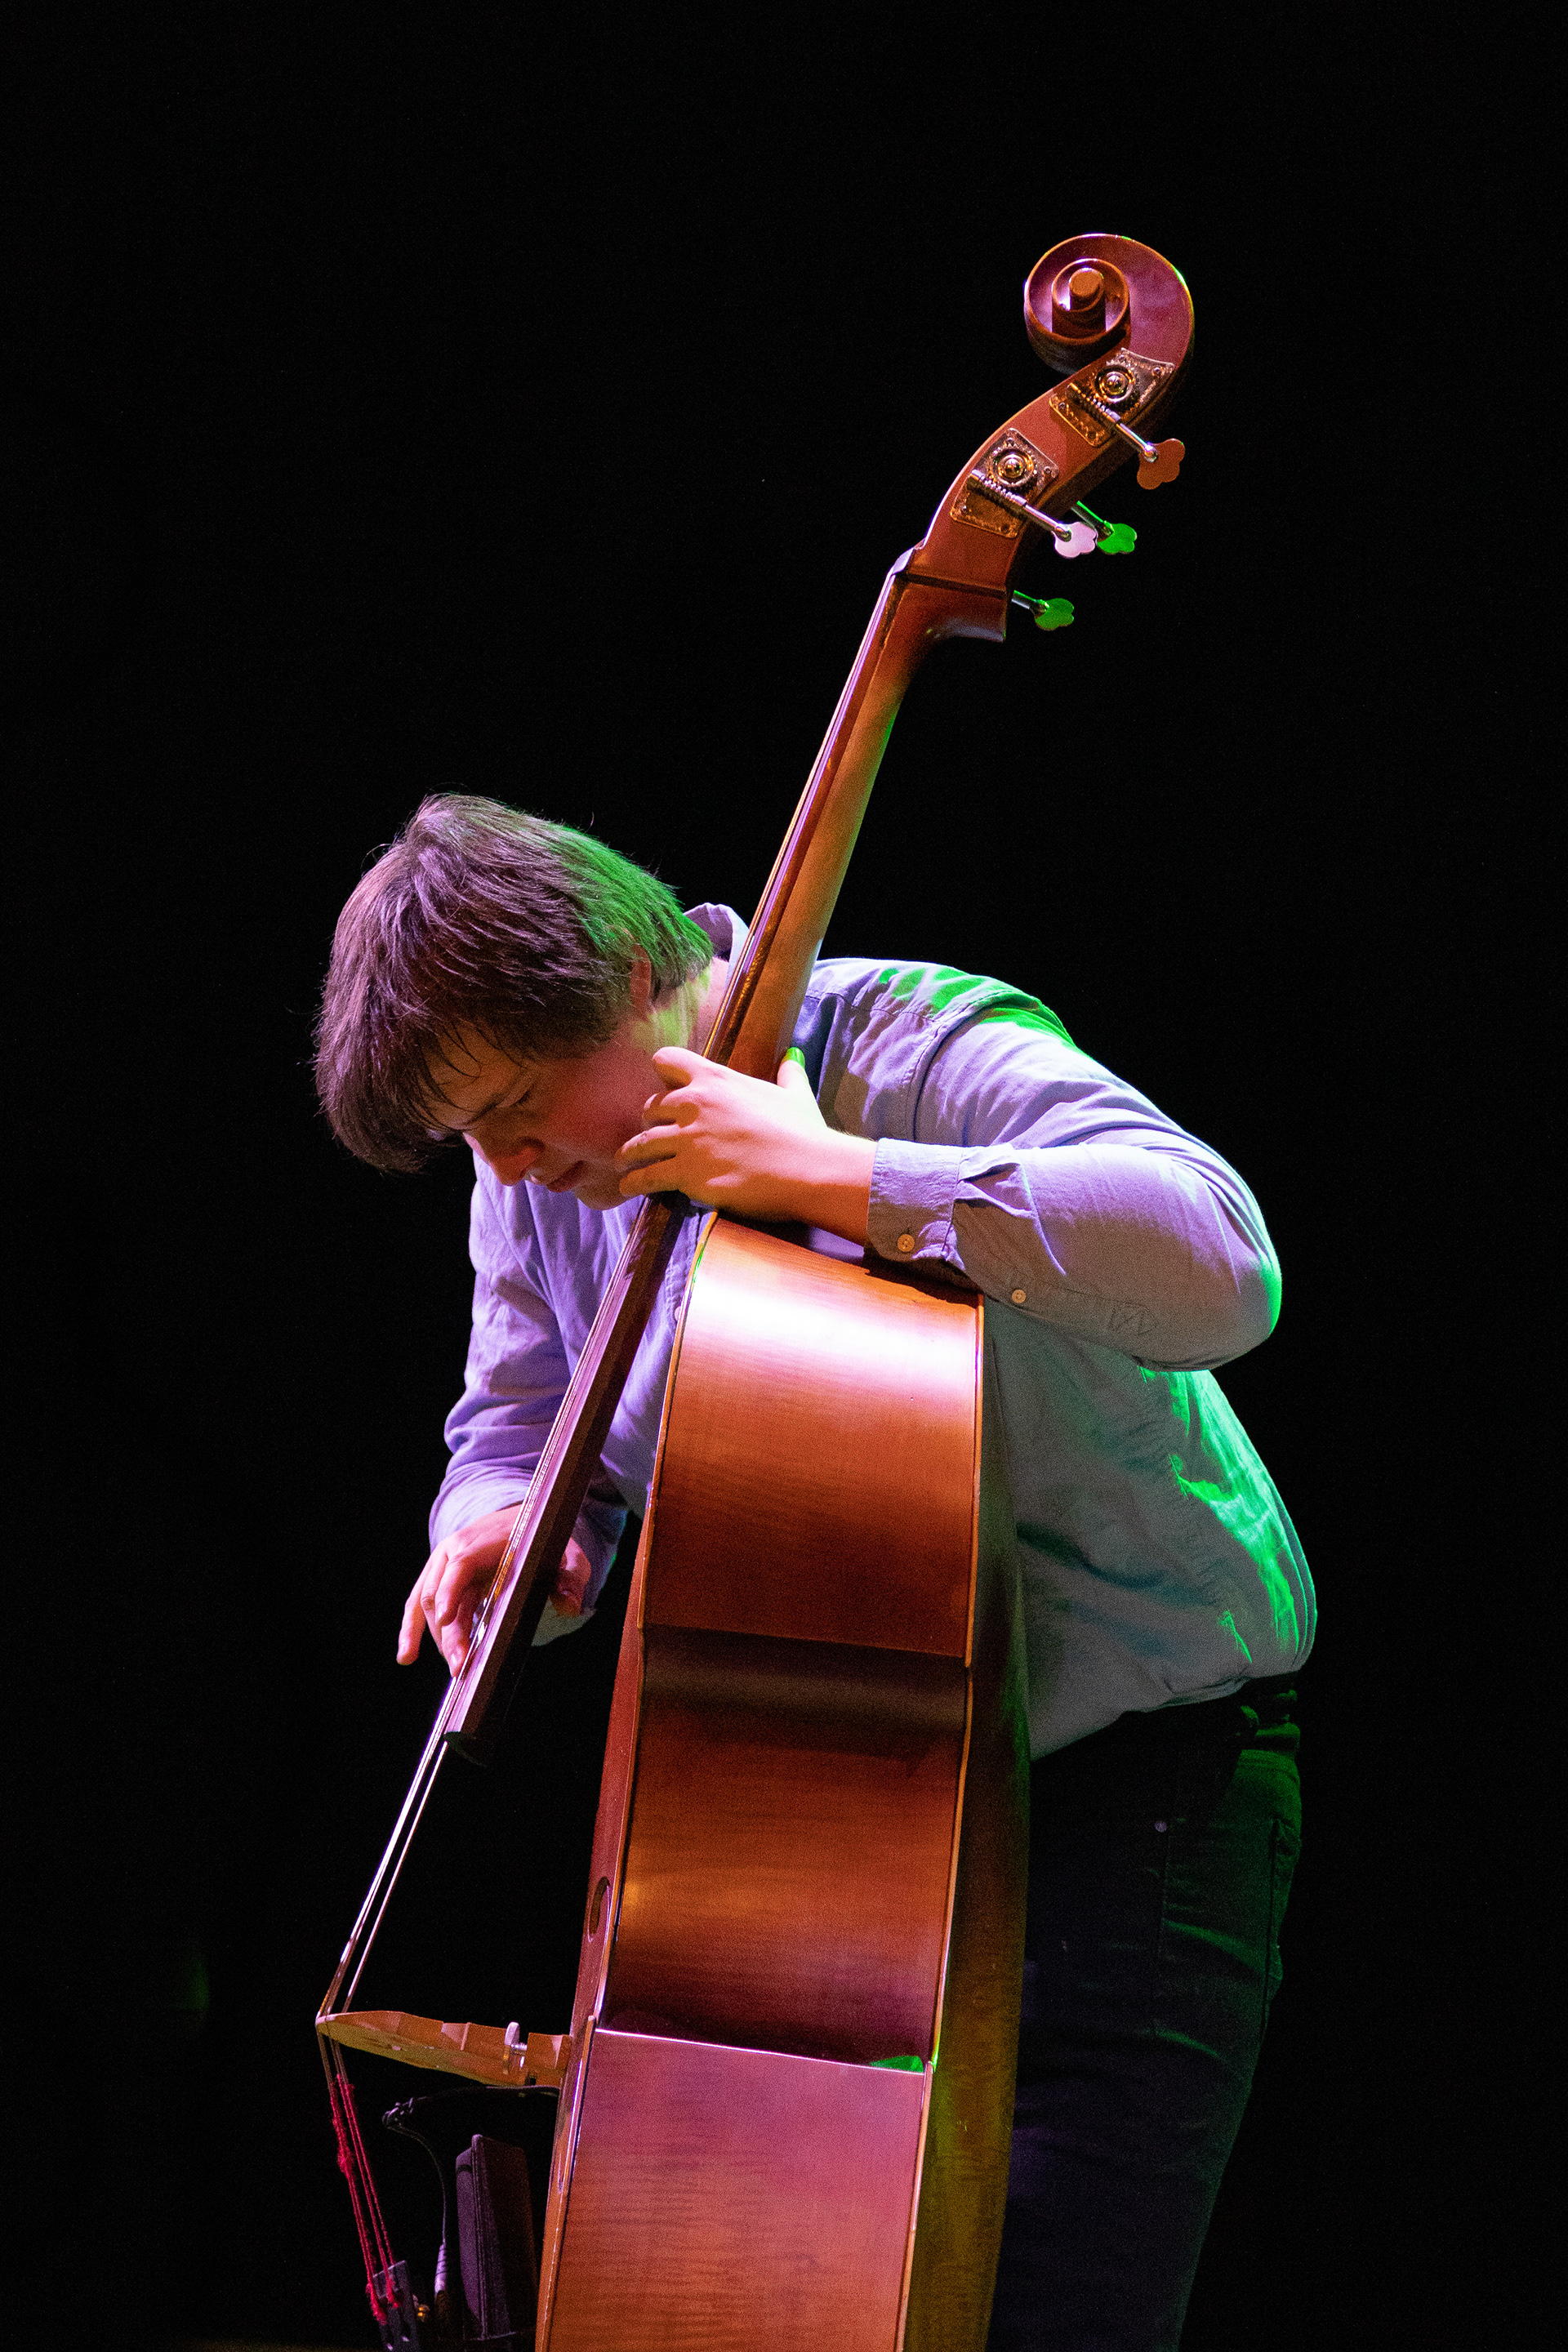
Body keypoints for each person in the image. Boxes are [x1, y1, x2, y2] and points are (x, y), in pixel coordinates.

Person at [316, 791, 1313, 2352]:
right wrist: (505, 1525)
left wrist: (844, 1175)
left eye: (514, 1103)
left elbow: (1220, 1261)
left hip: (1131, 1801)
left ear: (630, 981)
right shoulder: (536, 1180)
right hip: (827, 1832)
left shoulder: (915, 1044)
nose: (503, 1161)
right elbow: (513, 1420)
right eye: (469, 1140)